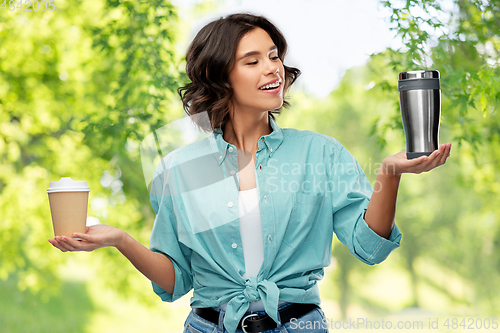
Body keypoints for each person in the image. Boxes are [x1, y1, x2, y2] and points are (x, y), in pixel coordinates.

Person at [49, 13, 451, 333]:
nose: (272, 69)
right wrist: (120, 240)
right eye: (252, 60)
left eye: (274, 55)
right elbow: (174, 281)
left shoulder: (319, 153)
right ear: (222, 75)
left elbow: (369, 246)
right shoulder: (179, 169)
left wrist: (390, 173)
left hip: (298, 325)